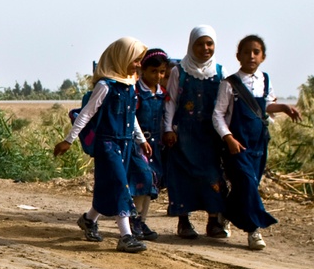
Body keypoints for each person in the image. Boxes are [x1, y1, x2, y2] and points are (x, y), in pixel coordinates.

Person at [54, 37, 152, 254]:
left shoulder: (129, 86)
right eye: (135, 60)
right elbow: (87, 114)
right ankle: (126, 236)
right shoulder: (105, 86)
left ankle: (89, 219)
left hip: (125, 144)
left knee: (110, 186)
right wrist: (68, 140)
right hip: (107, 145)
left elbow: (131, 115)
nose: (138, 65)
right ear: (121, 58)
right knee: (120, 184)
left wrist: (141, 140)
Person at [212, 35, 301, 250]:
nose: (251, 56)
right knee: (247, 182)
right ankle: (254, 230)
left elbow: (265, 106)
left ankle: (226, 211)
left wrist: (285, 108)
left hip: (258, 145)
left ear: (263, 57)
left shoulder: (265, 80)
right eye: (246, 52)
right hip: (237, 145)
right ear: (238, 56)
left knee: (248, 185)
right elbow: (218, 114)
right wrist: (228, 137)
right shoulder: (230, 83)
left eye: (256, 52)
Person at [163, 26, 226, 239]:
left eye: (209, 43)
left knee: (213, 176)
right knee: (183, 177)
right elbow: (171, 101)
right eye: (200, 44)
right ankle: (184, 221)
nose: (205, 48)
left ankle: (213, 221)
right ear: (191, 45)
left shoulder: (220, 72)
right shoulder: (178, 72)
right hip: (184, 135)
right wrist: (168, 128)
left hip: (211, 136)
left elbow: (226, 106)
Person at [127, 48, 169, 241]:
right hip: (138, 146)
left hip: (156, 146)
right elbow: (132, 118)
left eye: (162, 72)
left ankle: (141, 221)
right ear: (143, 70)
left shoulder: (162, 94)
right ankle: (133, 220)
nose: (158, 76)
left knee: (151, 184)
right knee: (141, 181)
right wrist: (140, 139)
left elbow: (166, 116)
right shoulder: (136, 92)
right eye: (154, 71)